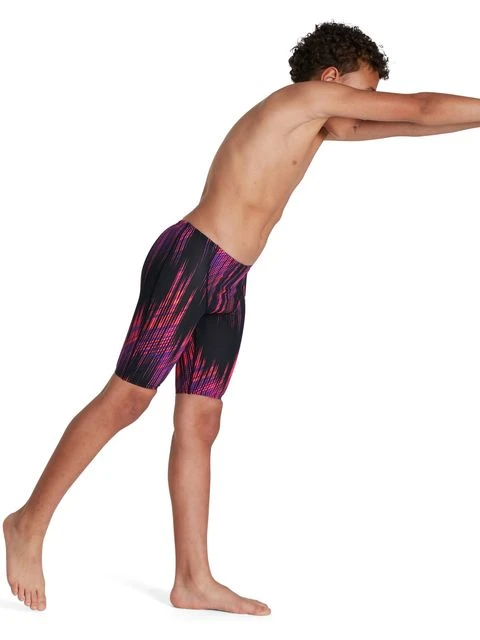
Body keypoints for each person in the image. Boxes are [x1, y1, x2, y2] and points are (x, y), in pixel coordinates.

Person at [4, 19, 480, 615]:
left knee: (201, 421)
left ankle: (193, 580)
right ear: (331, 79)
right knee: (127, 400)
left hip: (228, 279)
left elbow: (411, 124)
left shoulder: (319, 123)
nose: (366, 106)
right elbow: (422, 106)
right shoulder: (301, 99)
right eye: (365, 93)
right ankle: (27, 522)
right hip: (191, 262)